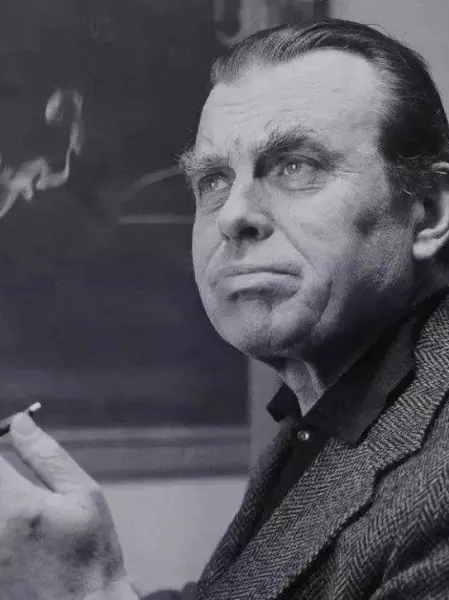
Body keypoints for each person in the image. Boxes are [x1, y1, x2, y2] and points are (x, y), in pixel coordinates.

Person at [1, 17, 449, 600]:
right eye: (213, 180)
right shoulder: (325, 409)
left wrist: (89, 591)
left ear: (430, 212)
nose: (234, 215)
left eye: (295, 166)